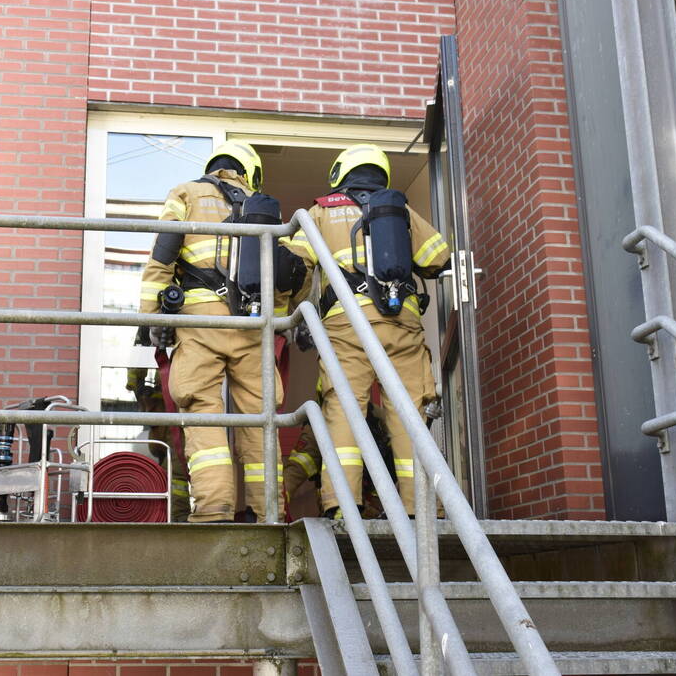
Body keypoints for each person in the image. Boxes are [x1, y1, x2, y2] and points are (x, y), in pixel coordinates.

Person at [284, 143, 450, 518]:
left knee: (345, 412)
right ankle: (419, 509)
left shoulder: (319, 213)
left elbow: (293, 269)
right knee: (408, 417)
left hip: (347, 327)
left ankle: (342, 507)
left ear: (341, 173)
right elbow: (437, 259)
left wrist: (295, 316)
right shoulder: (400, 209)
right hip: (402, 325)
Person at [138, 140, 289, 523]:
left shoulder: (186, 193)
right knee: (260, 419)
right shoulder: (264, 208)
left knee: (203, 414)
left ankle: (214, 510)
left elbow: (162, 256)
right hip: (253, 324)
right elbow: (287, 275)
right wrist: (281, 322)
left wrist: (152, 319)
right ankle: (267, 511)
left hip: (200, 320)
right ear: (249, 170)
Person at [126, 366, 191, 522]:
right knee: (171, 473)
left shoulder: (172, 362)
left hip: (176, 423)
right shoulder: (154, 356)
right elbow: (136, 381)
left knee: (174, 473)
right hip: (167, 425)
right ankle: (172, 515)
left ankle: (176, 516)